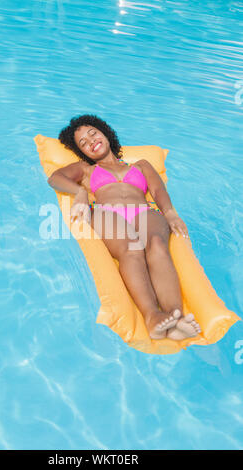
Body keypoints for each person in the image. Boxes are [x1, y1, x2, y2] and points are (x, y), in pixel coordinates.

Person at [48, 114, 201, 340]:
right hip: (106, 214)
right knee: (131, 248)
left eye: (93, 133)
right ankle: (152, 317)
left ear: (105, 133)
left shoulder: (141, 165)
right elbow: (55, 178)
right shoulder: (86, 169)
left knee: (157, 245)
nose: (91, 141)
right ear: (82, 152)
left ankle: (175, 318)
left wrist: (170, 214)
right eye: (83, 143)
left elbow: (158, 191)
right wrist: (80, 192)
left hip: (143, 211)